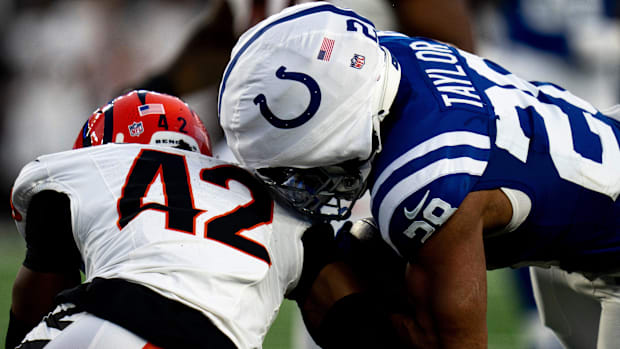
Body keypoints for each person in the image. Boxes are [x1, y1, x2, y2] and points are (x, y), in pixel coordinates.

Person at [218, 2, 620, 348]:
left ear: (341, 128)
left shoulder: (426, 180)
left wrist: (333, 293)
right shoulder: (387, 56)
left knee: (355, 263)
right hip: (589, 211)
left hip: (610, 250)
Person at [6, 90, 403, 349]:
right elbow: (351, 318)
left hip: (109, 327)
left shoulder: (87, 170)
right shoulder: (281, 210)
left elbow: (35, 295)